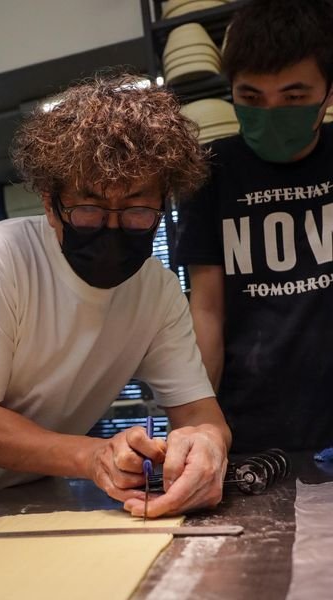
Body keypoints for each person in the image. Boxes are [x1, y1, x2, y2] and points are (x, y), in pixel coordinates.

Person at [0, 74, 231, 541]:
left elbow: (200, 413)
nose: (112, 229)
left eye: (138, 211)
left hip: (21, 501)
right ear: (50, 203)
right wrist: (95, 456)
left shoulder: (156, 292)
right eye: (89, 209)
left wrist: (206, 446)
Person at [176, 0, 333, 453]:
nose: (271, 112)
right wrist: (197, 422)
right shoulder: (209, 173)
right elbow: (207, 310)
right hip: (252, 423)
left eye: (293, 98)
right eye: (251, 98)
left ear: (328, 92)